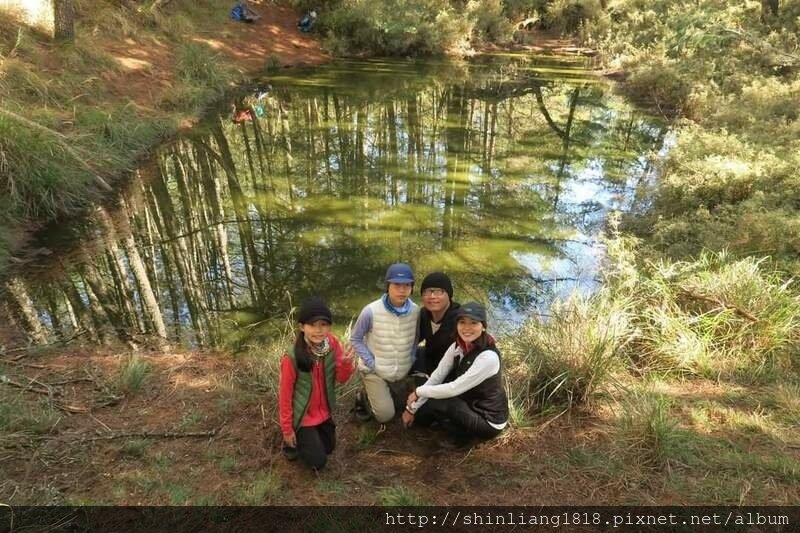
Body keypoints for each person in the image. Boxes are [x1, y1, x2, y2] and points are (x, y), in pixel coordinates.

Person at [402, 302, 509, 447]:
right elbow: (437, 376)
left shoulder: (488, 357)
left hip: (488, 421)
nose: (467, 328)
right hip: (470, 404)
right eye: (462, 322)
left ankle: (463, 439)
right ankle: (451, 422)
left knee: (436, 400)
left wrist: (419, 392)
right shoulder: (457, 346)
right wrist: (412, 409)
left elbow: (454, 389)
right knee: (423, 412)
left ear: (483, 326)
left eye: (473, 323)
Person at [279, 296, 355, 470]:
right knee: (317, 462)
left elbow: (342, 379)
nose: (318, 330)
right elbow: (285, 396)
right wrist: (287, 430)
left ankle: (310, 440)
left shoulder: (333, 344)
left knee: (329, 448)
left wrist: (345, 364)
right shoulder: (292, 357)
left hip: (324, 413)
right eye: (312, 325)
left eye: (323, 324)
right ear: (301, 327)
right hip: (303, 417)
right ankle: (292, 443)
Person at [350, 263, 420, 423]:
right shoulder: (371, 311)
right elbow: (355, 339)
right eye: (397, 285)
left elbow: (416, 337)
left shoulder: (416, 311)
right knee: (385, 416)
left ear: (412, 287)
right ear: (388, 286)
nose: (402, 290)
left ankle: (389, 390)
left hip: (400, 371)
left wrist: (411, 357)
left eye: (407, 285)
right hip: (374, 370)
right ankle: (363, 397)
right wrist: (372, 363)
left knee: (401, 406)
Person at [412, 272, 461, 381]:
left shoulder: (460, 318)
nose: (432, 296)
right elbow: (412, 340)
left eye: (438, 291)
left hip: (454, 375)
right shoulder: (423, 314)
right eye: (427, 292)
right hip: (430, 366)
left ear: (449, 294)